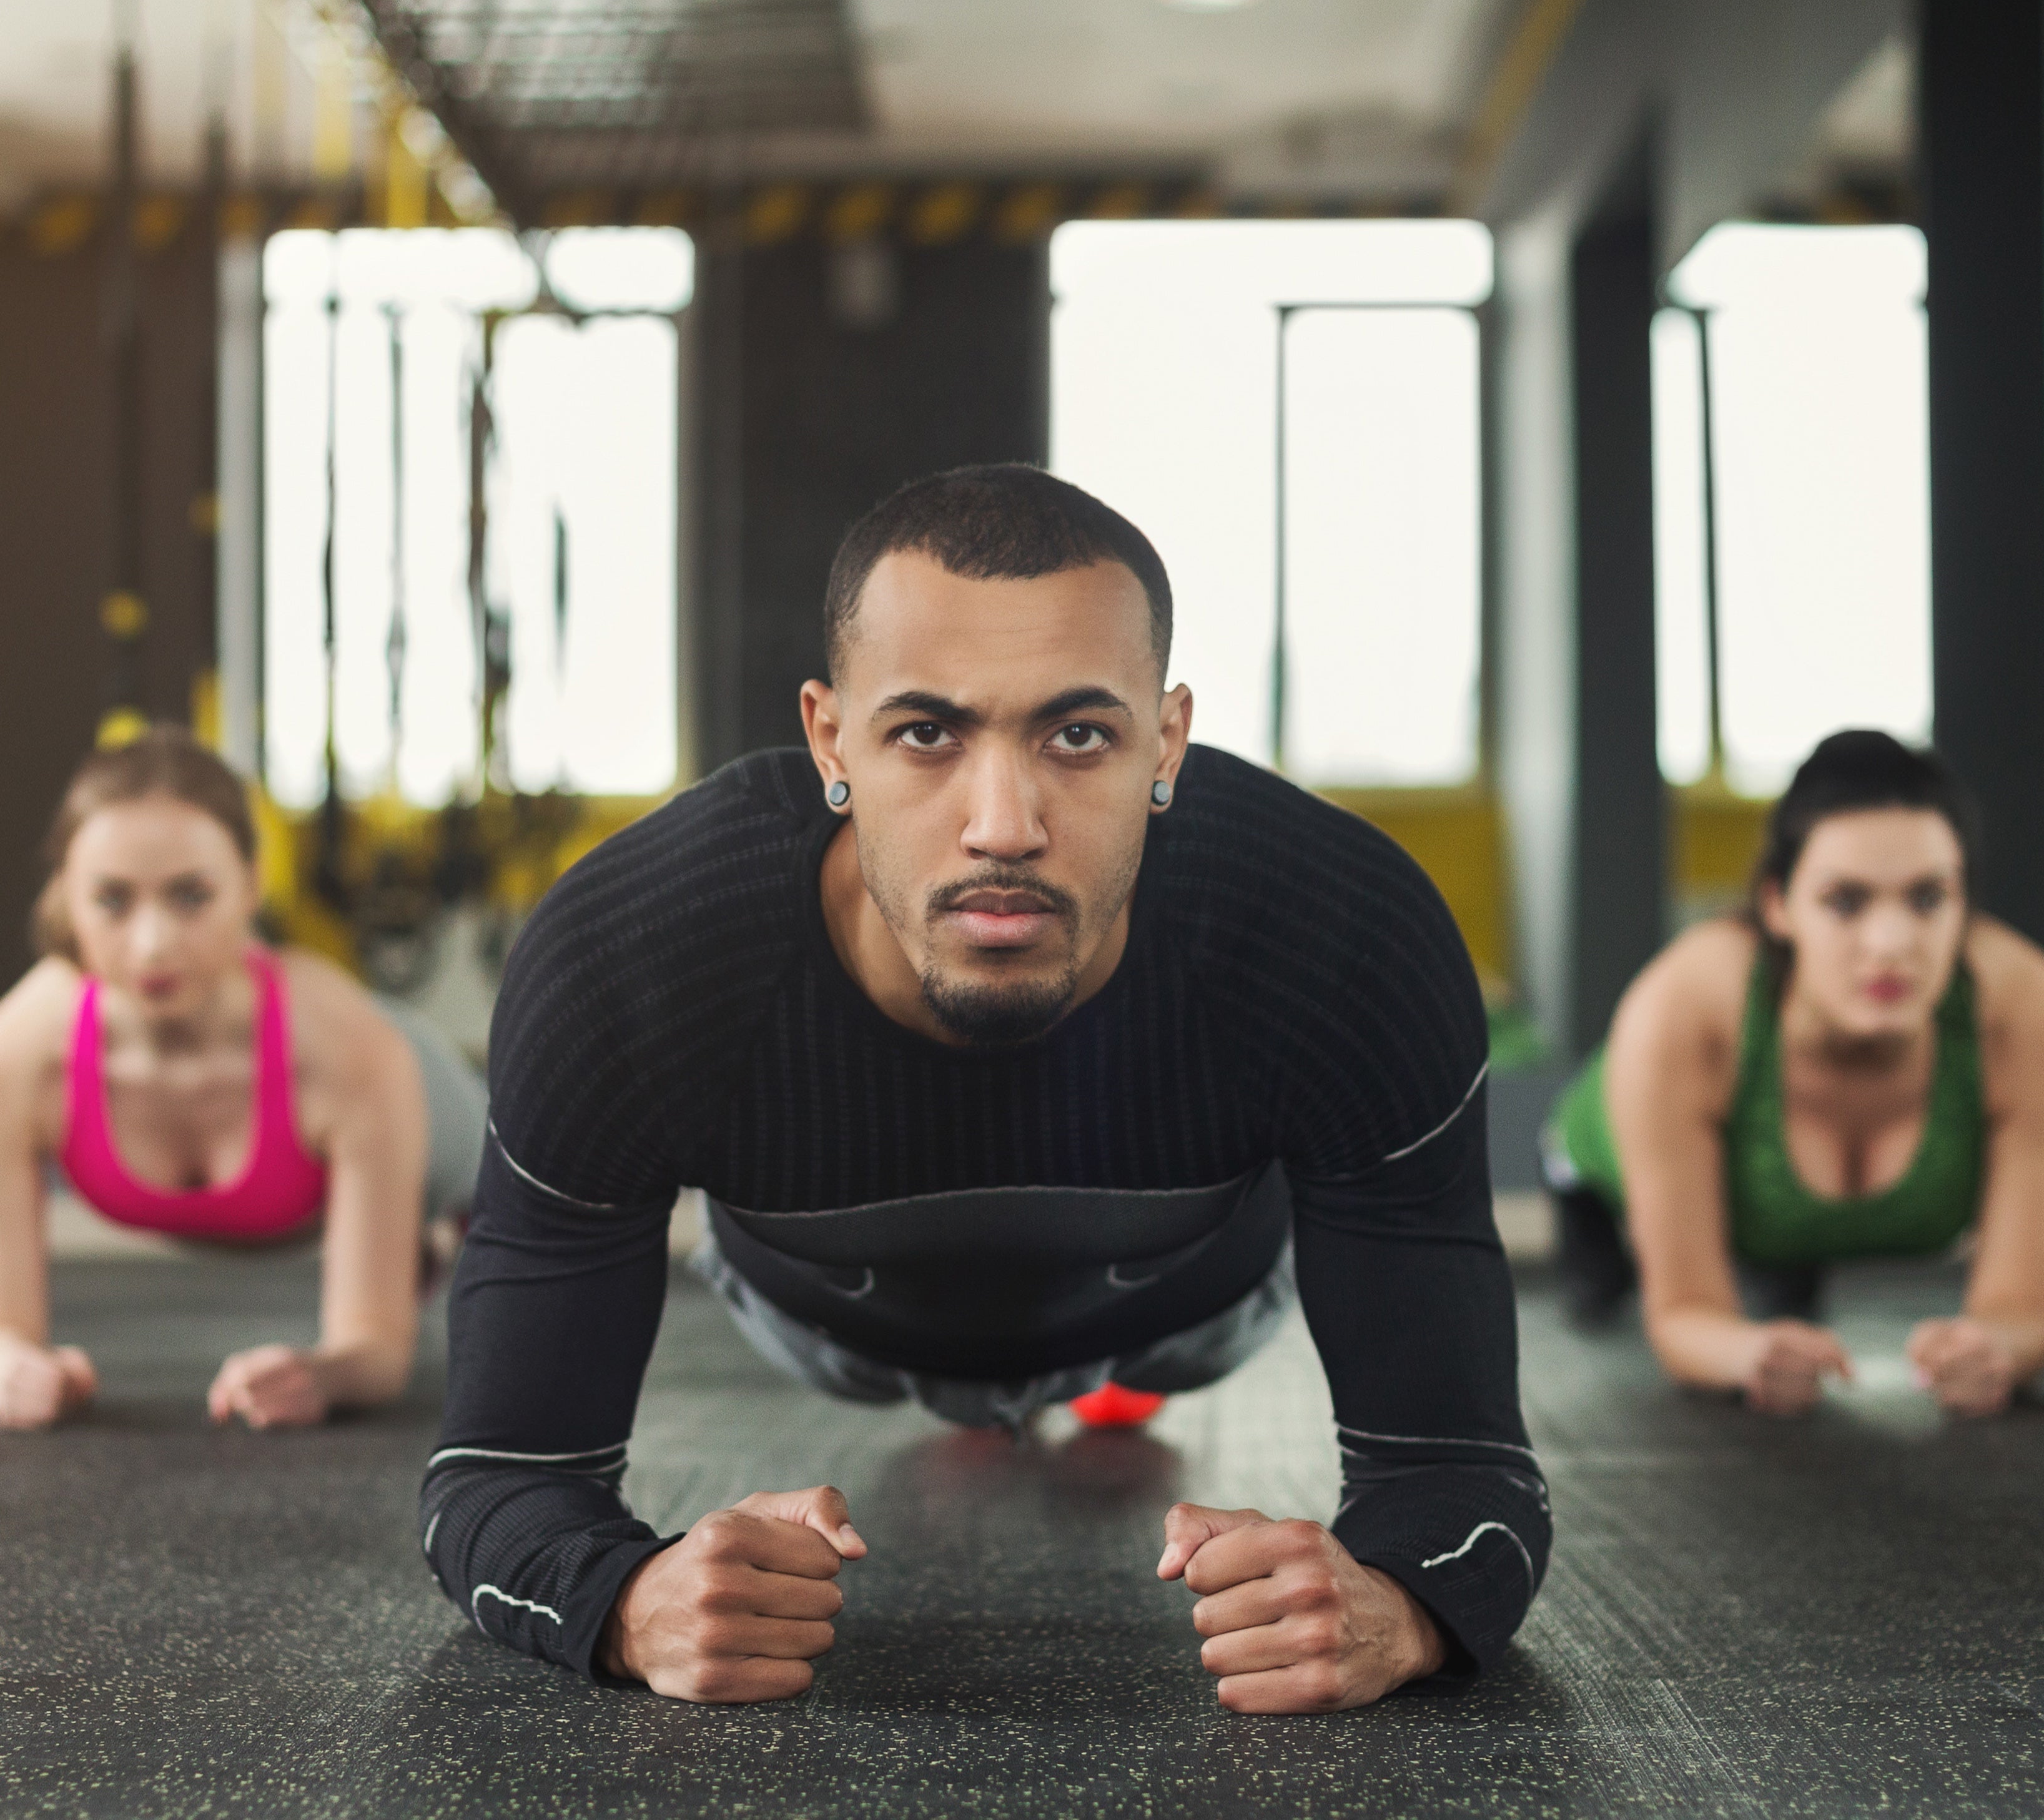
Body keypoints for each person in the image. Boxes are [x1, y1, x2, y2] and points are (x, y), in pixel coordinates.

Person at [423, 465, 1548, 1714]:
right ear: (827, 738)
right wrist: (628, 1603)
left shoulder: (1342, 932)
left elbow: (1462, 1471)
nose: (1002, 824)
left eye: (1079, 735)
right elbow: (494, 1476)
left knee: (1165, 1346)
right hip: (830, 1317)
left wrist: (1397, 1608)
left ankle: (1107, 1382)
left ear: (1165, 743)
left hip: (1180, 1297)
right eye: (925, 733)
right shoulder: (627, 956)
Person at [0, 726, 486, 1431]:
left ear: (251, 884)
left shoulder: (351, 1050)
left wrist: (325, 1374)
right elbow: (7, 1335)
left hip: (447, 1130)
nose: (153, 944)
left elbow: (376, 1352)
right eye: (112, 900)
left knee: (534, 1344)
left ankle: (417, 1235)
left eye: (191, 896)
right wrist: (15, 1371)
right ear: (66, 897)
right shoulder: (21, 1050)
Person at [1546, 729, 2044, 1417]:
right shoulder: (1682, 1007)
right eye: (1846, 901)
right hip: (1607, 1161)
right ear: (1777, 904)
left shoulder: (2019, 1009)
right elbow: (1687, 1313)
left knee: (1780, 1294)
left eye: (1928, 898)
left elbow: (2020, 1311)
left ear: (1964, 906)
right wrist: (1743, 1353)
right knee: (1600, 1297)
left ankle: (1786, 1265)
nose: (1893, 943)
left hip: (1777, 1216)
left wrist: (1994, 1348)